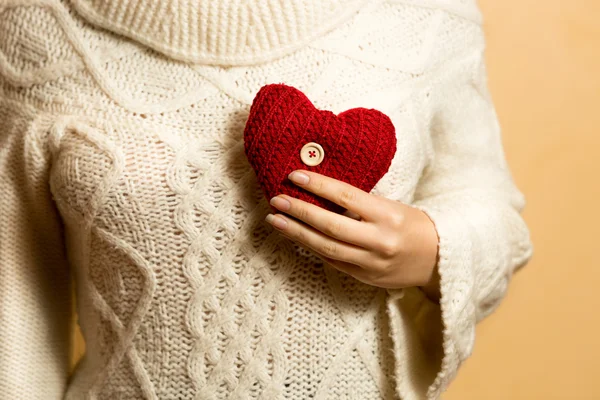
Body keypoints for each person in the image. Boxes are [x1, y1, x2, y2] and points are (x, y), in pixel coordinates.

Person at [0, 0, 534, 399]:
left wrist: (432, 247)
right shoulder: (31, 27)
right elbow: (12, 309)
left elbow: (491, 207)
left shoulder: (428, 15)